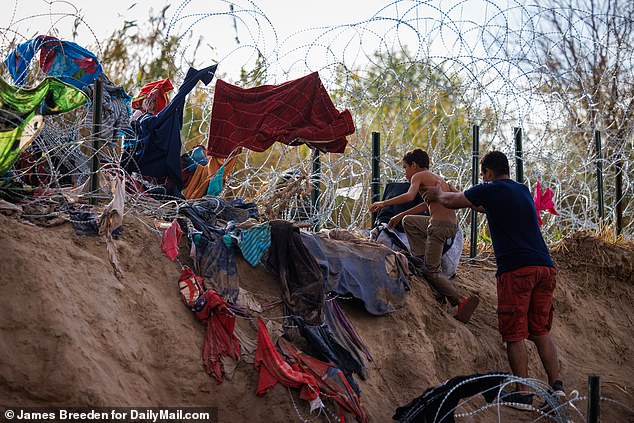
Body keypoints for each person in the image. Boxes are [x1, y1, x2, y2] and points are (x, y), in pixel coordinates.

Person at [423, 150, 565, 409]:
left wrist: (438, 195)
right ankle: (557, 389)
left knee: (514, 333)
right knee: (541, 331)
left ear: (488, 172)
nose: (483, 178)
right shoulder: (520, 190)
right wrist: (462, 197)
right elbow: (479, 205)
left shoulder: (490, 188)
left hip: (517, 269)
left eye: (483, 174)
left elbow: (455, 201)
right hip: (545, 268)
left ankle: (523, 392)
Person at [369, 149, 479, 324]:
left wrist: (383, 203)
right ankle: (420, 258)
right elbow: (427, 205)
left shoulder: (417, 176)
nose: (405, 173)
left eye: (405, 168)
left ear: (414, 165)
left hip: (438, 226)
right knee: (409, 221)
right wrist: (399, 216)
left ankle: (460, 302)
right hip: (450, 225)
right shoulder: (439, 180)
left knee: (432, 270)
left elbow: (409, 196)